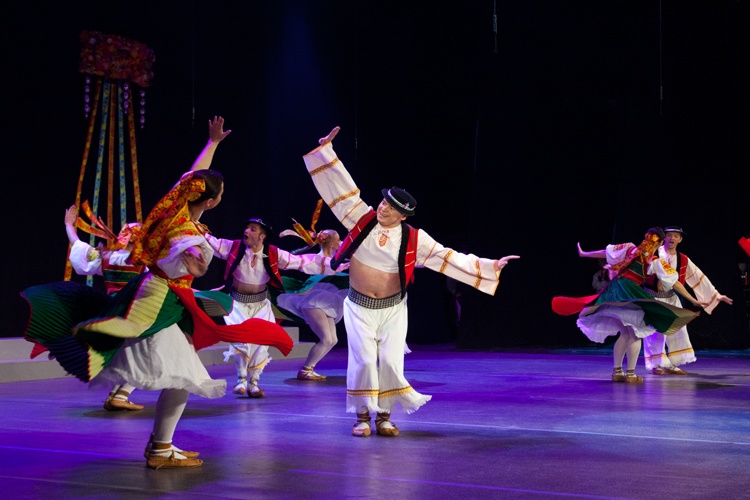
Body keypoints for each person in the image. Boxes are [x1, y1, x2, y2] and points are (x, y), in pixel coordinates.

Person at [21, 116, 293, 469]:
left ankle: (160, 446)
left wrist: (212, 143)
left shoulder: (173, 212)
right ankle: (160, 447)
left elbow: (190, 178)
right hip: (157, 300)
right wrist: (197, 264)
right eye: (220, 194)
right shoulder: (187, 231)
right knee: (184, 376)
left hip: (158, 297)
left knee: (182, 376)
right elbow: (186, 252)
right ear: (211, 202)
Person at [302, 126, 520, 437]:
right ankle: (362, 417)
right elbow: (341, 190)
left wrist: (489, 266)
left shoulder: (415, 239)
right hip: (359, 306)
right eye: (383, 202)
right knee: (364, 361)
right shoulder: (361, 218)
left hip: (393, 309)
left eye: (391, 208)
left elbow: (448, 258)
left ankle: (384, 417)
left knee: (391, 363)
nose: (383, 208)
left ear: (403, 216)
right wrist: (326, 152)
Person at [206, 219, 346, 397]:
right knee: (241, 341)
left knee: (260, 343)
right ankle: (241, 380)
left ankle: (254, 384)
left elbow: (302, 262)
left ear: (262, 236)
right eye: (247, 228)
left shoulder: (273, 254)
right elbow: (210, 241)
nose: (247, 231)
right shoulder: (233, 247)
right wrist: (191, 227)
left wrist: (336, 266)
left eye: (253, 229)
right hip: (237, 303)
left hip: (260, 305)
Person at [552, 227, 705, 383]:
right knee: (635, 334)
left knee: (625, 334)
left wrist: (584, 254)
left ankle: (617, 371)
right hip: (630, 294)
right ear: (660, 244)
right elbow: (674, 282)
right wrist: (692, 299)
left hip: (614, 291)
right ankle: (631, 374)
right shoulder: (655, 261)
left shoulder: (630, 249)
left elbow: (606, 253)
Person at [63, 202, 146, 411]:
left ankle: (114, 395)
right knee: (146, 352)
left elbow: (80, 248)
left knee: (123, 354)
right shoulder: (143, 263)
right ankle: (122, 395)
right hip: (132, 311)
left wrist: (69, 226)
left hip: (110, 311)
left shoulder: (107, 257)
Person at [643, 226, 733, 375]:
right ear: (663, 238)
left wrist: (715, 295)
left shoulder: (683, 259)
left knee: (678, 330)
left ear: (680, 239)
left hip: (671, 298)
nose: (672, 238)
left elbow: (698, 276)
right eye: (669, 235)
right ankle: (657, 364)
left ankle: (672, 363)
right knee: (656, 331)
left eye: (676, 236)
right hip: (653, 297)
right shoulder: (654, 254)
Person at [275, 228, 350, 380]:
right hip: (314, 303)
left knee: (333, 340)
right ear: (332, 244)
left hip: (326, 304)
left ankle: (308, 369)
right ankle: (305, 370)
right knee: (327, 340)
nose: (341, 242)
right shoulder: (317, 260)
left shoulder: (335, 261)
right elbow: (292, 260)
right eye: (338, 240)